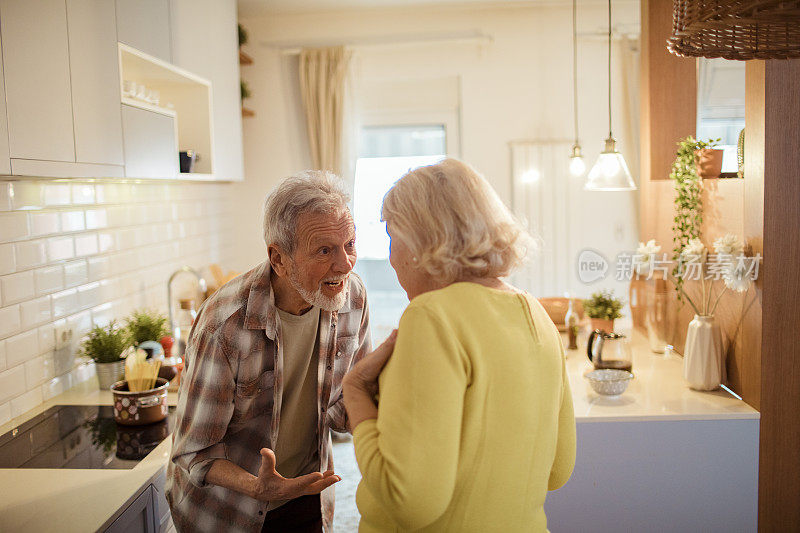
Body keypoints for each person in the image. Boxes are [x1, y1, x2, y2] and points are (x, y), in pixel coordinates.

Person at [342, 158, 576, 532]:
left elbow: (409, 501)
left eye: (391, 236)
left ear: (420, 239)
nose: (391, 259)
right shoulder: (536, 314)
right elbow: (558, 469)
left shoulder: (431, 316)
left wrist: (355, 394)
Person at [166, 171, 371, 533]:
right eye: (324, 250)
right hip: (227, 512)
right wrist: (257, 487)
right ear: (279, 259)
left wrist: (391, 415)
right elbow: (193, 451)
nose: (345, 264)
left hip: (308, 493)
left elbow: (341, 406)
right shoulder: (224, 324)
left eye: (350, 244)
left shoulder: (352, 297)